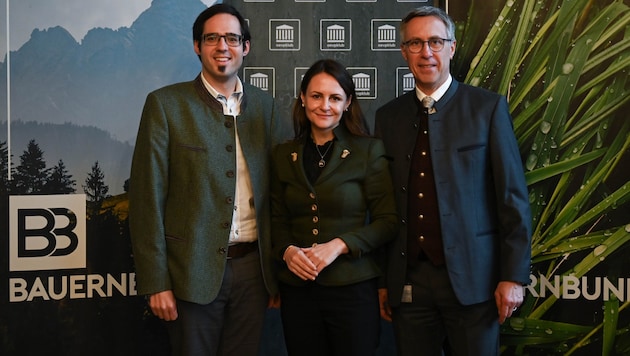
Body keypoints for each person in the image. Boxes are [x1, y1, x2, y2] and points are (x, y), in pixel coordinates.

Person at [128, 4, 287, 356]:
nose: (222, 47)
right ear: (197, 46)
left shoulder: (266, 107)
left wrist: (275, 272)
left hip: (254, 273)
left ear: (245, 47)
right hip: (190, 274)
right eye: (211, 38)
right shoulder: (166, 105)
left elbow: (280, 196)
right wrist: (156, 282)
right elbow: (146, 200)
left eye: (232, 38)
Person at [374, 6, 532, 356]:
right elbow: (383, 206)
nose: (425, 52)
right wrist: (386, 280)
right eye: (415, 43)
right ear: (403, 51)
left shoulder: (487, 108)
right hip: (409, 284)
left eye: (434, 41)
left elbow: (512, 198)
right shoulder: (388, 117)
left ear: (452, 47)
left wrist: (514, 277)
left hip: (476, 284)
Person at [271, 59, 398, 356]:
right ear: (302, 98)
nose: (324, 105)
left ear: (348, 102)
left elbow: (388, 221)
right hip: (298, 291)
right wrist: (287, 252)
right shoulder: (282, 154)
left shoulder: (368, 151)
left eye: (335, 97)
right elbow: (276, 221)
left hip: (353, 289)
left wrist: (339, 245)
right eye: (316, 96)